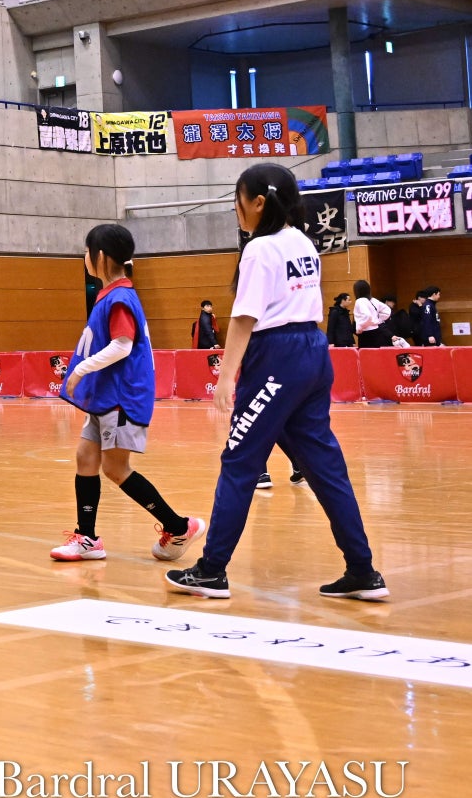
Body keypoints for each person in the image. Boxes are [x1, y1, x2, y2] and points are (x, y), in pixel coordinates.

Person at [165, 165, 386, 602]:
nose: (235, 208)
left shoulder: (260, 249)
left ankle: (211, 570)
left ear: (258, 203)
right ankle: (362, 570)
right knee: (325, 466)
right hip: (312, 351)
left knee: (239, 461)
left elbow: (244, 318)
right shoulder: (304, 242)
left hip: (276, 358)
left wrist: (225, 377)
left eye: (238, 198)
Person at [49, 225, 203, 562]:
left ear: (100, 257)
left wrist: (80, 368)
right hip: (106, 396)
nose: (85, 258)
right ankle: (87, 538)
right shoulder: (109, 294)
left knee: (116, 468)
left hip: (120, 397)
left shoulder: (120, 296)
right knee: (85, 459)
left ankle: (178, 526)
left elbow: (122, 345)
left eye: (87, 252)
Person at [352, 280, 393, 348]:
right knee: (376, 356)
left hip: (366, 334)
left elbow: (367, 316)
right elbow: (387, 311)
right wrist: (377, 321)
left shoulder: (359, 301)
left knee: (366, 357)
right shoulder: (373, 300)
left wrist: (360, 327)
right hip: (377, 332)